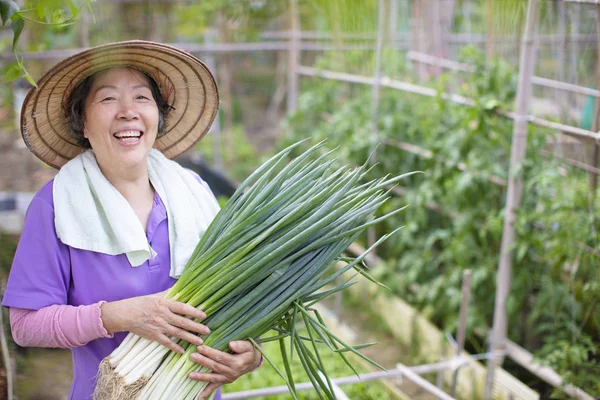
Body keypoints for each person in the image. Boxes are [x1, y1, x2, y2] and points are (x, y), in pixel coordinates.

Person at [2, 41, 262, 400]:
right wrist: (119, 315)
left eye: (142, 98)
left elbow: (239, 299)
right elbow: (26, 326)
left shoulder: (195, 193)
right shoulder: (57, 205)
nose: (128, 111)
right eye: (108, 99)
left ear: (158, 116)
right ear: (83, 125)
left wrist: (249, 353)